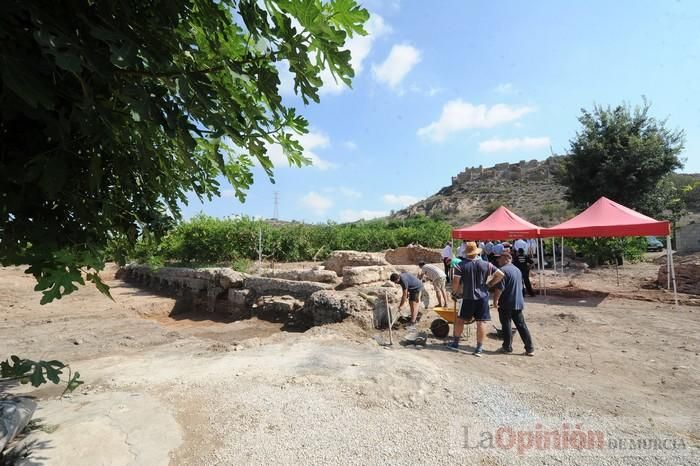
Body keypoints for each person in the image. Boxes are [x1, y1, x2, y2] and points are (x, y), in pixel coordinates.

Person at [449, 241, 504, 356]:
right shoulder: (486, 264)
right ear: (477, 252)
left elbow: (455, 282)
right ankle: (479, 348)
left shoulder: (460, 265)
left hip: (467, 297)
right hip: (483, 297)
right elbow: (500, 275)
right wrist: (489, 285)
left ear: (466, 253)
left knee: (460, 320)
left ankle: (455, 343)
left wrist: (454, 292)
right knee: (481, 322)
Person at [493, 252, 534, 356]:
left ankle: (507, 347)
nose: (498, 260)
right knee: (521, 325)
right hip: (518, 302)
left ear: (506, 258)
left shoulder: (502, 271)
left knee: (506, 324)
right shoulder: (517, 270)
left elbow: (499, 288)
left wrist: (495, 300)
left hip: (506, 302)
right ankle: (530, 348)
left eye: (500, 258)